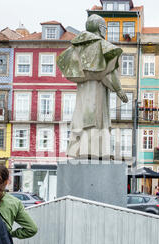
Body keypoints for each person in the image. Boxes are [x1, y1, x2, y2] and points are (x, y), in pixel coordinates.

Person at [57, 14, 128, 159]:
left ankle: (79, 151)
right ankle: (96, 152)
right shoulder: (102, 46)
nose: (105, 31)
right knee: (97, 119)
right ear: (100, 28)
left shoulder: (75, 48)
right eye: (105, 28)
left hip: (83, 91)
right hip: (97, 91)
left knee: (82, 118)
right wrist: (118, 89)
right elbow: (109, 72)